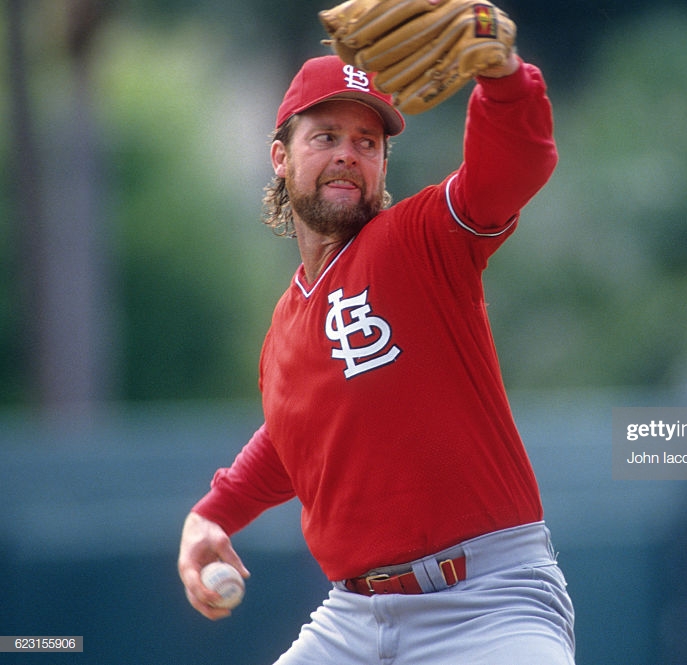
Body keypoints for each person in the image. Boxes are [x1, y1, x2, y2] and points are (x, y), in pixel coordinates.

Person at [176, 29, 575, 665]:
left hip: (489, 605)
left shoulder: (419, 242)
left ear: (385, 165)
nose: (348, 154)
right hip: (354, 620)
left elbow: (514, 167)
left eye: (368, 142)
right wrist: (213, 514)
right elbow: (294, 436)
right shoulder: (285, 326)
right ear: (280, 156)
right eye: (326, 136)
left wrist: (503, 78)